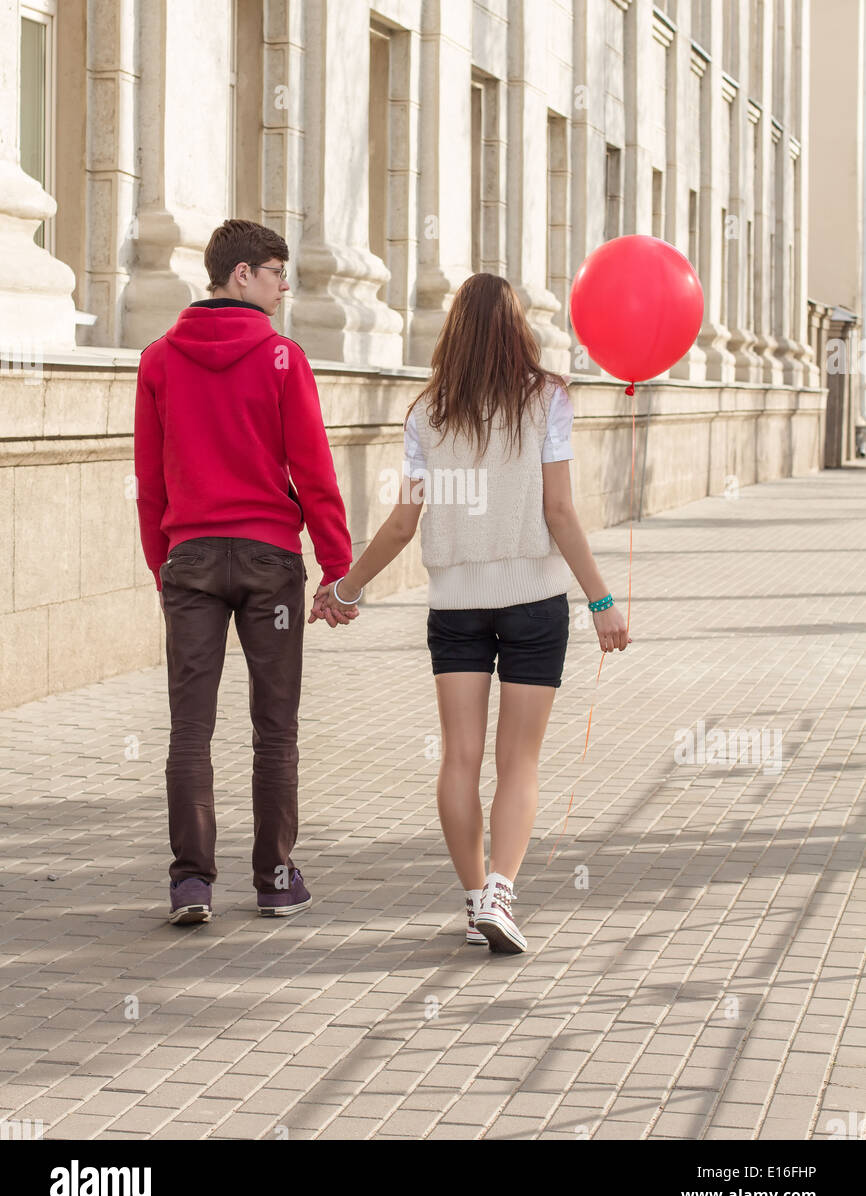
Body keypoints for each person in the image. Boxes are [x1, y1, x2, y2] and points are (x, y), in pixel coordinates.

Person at [313, 272, 631, 955]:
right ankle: (500, 891)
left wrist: (346, 589)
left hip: (455, 606)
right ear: (518, 328)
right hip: (534, 604)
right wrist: (601, 600)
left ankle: (472, 899)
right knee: (518, 761)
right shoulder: (547, 399)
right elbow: (559, 511)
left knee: (459, 756)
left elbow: (402, 524)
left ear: (452, 332)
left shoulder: (428, 413)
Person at [134, 219, 357, 927]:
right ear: (241, 276)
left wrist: (161, 564)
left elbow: (149, 483)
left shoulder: (159, 360)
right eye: (274, 273)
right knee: (275, 728)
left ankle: (191, 884)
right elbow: (313, 468)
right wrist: (337, 565)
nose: (283, 285)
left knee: (189, 729)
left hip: (191, 559)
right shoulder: (283, 358)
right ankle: (275, 879)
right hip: (270, 565)